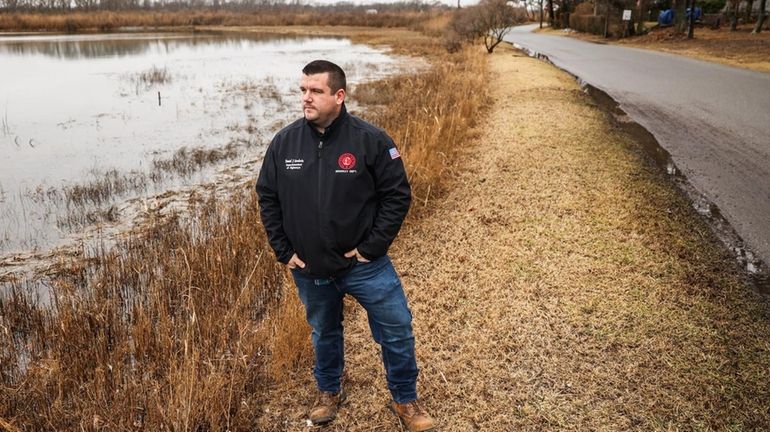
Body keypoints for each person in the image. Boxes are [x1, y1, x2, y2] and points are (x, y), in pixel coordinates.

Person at [256, 60, 435, 431]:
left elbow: (397, 196)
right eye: (303, 90)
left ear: (339, 96)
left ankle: (405, 400)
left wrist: (371, 247)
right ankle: (329, 391)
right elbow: (267, 197)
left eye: (315, 91)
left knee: (397, 328)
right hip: (310, 267)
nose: (306, 98)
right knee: (324, 331)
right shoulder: (284, 142)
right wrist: (284, 250)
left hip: (365, 265)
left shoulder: (371, 140)